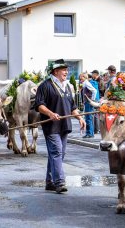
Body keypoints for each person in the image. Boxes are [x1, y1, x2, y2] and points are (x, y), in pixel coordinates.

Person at [34, 59, 85, 194]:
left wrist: (80, 118)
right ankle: (59, 182)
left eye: (66, 70)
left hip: (64, 125)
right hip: (51, 126)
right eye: (64, 70)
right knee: (57, 152)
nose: (66, 72)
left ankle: (49, 181)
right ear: (55, 71)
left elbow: (72, 106)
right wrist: (50, 114)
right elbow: (39, 105)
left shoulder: (66, 86)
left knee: (57, 154)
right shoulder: (45, 85)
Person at [79, 73, 97, 138]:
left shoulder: (86, 83)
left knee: (88, 118)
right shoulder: (85, 83)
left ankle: (89, 133)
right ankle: (89, 133)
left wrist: (92, 100)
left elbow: (94, 91)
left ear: (84, 77)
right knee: (88, 118)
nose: (80, 79)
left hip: (88, 103)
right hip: (86, 102)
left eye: (81, 77)